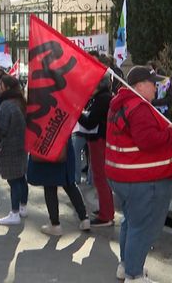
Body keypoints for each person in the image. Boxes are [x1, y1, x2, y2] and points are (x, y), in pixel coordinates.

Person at [105, 66, 172, 282]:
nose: (156, 87)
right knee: (142, 227)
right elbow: (147, 141)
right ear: (139, 86)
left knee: (131, 223)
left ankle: (126, 266)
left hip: (122, 177)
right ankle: (134, 274)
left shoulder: (122, 103)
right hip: (141, 180)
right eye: (152, 83)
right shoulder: (139, 107)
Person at [27, 139, 91, 236]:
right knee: (70, 184)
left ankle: (55, 224)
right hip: (64, 144)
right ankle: (84, 218)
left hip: (47, 143)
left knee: (49, 186)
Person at [78, 72, 114, 227]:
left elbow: (90, 123)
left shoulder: (102, 98)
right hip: (99, 139)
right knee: (99, 176)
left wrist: (77, 113)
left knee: (100, 177)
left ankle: (106, 215)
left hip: (99, 140)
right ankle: (106, 210)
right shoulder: (102, 97)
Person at [0, 74, 29, 226]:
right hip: (21, 145)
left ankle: (14, 212)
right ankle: (22, 207)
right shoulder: (19, 101)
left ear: (6, 88)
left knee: (14, 180)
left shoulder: (6, 105)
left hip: (10, 146)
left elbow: (1, 129)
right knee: (21, 178)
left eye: (0, 84)